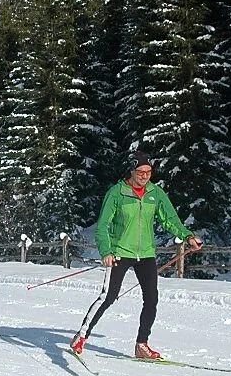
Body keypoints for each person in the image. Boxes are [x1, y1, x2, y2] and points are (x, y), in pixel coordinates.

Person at [70, 152, 203, 359]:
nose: (144, 176)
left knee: (151, 300)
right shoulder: (117, 193)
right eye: (140, 172)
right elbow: (102, 226)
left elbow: (170, 220)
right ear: (131, 171)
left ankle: (142, 344)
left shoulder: (155, 193)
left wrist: (187, 237)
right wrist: (106, 251)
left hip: (146, 254)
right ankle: (81, 336)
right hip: (120, 252)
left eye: (148, 172)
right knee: (109, 296)